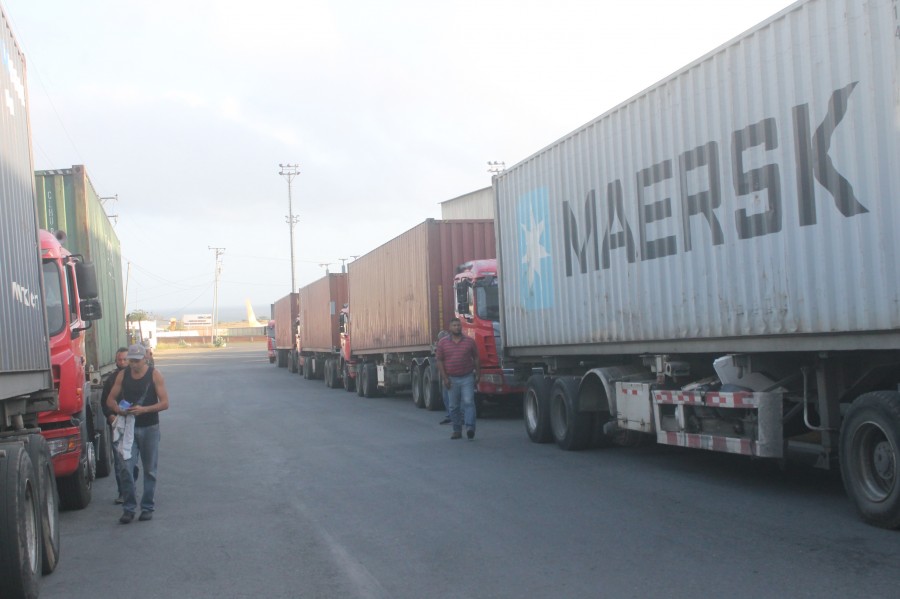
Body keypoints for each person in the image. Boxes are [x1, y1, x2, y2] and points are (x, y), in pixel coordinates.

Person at [106, 343, 170, 524]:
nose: (133, 364)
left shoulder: (155, 375)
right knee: (126, 468)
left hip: (150, 428)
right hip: (129, 429)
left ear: (145, 359)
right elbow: (110, 400)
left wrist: (144, 409)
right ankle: (129, 508)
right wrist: (118, 410)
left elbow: (165, 403)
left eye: (136, 360)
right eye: (131, 360)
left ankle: (147, 507)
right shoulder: (123, 375)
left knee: (150, 470)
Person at [100, 347, 138, 504]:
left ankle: (131, 487)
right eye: (119, 359)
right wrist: (111, 418)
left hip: (135, 424)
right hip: (118, 425)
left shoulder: (137, 378)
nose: (122, 362)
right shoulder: (111, 380)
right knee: (119, 461)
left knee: (132, 460)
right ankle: (123, 493)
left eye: (124, 359)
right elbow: (105, 402)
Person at [436, 318, 480, 440]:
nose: (457, 327)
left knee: (469, 402)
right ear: (450, 328)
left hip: (467, 377)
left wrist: (478, 373)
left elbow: (476, 357)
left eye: (458, 325)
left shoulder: (469, 341)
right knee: (453, 406)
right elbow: (439, 360)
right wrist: (445, 378)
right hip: (452, 378)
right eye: (454, 325)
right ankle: (457, 430)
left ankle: (470, 428)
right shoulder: (443, 343)